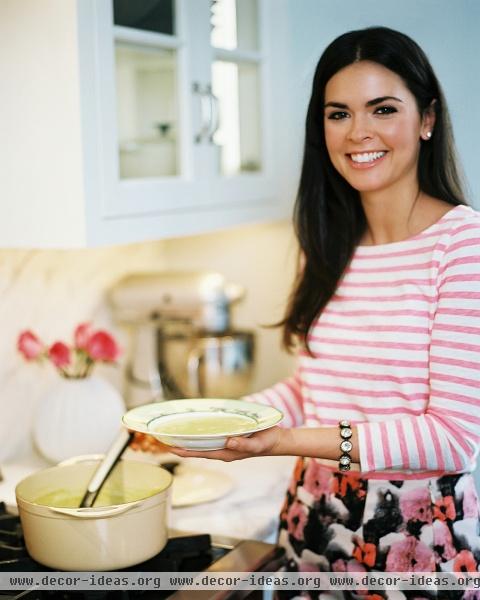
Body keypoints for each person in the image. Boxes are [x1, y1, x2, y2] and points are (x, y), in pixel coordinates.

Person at [151, 26, 480, 598]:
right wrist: (211, 421)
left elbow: (451, 437)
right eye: (338, 114)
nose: (359, 133)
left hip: (418, 535)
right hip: (315, 516)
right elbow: (316, 388)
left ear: (426, 119)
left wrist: (280, 442)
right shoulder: (329, 242)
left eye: (383, 109)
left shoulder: (462, 244)